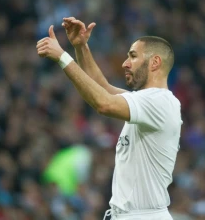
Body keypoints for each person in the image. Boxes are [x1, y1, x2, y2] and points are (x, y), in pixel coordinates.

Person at [36, 17, 182, 220]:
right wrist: (81, 47)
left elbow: (103, 103)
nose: (124, 63)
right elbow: (102, 87)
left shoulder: (160, 102)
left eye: (132, 56)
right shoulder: (147, 102)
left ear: (155, 62)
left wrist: (62, 56)